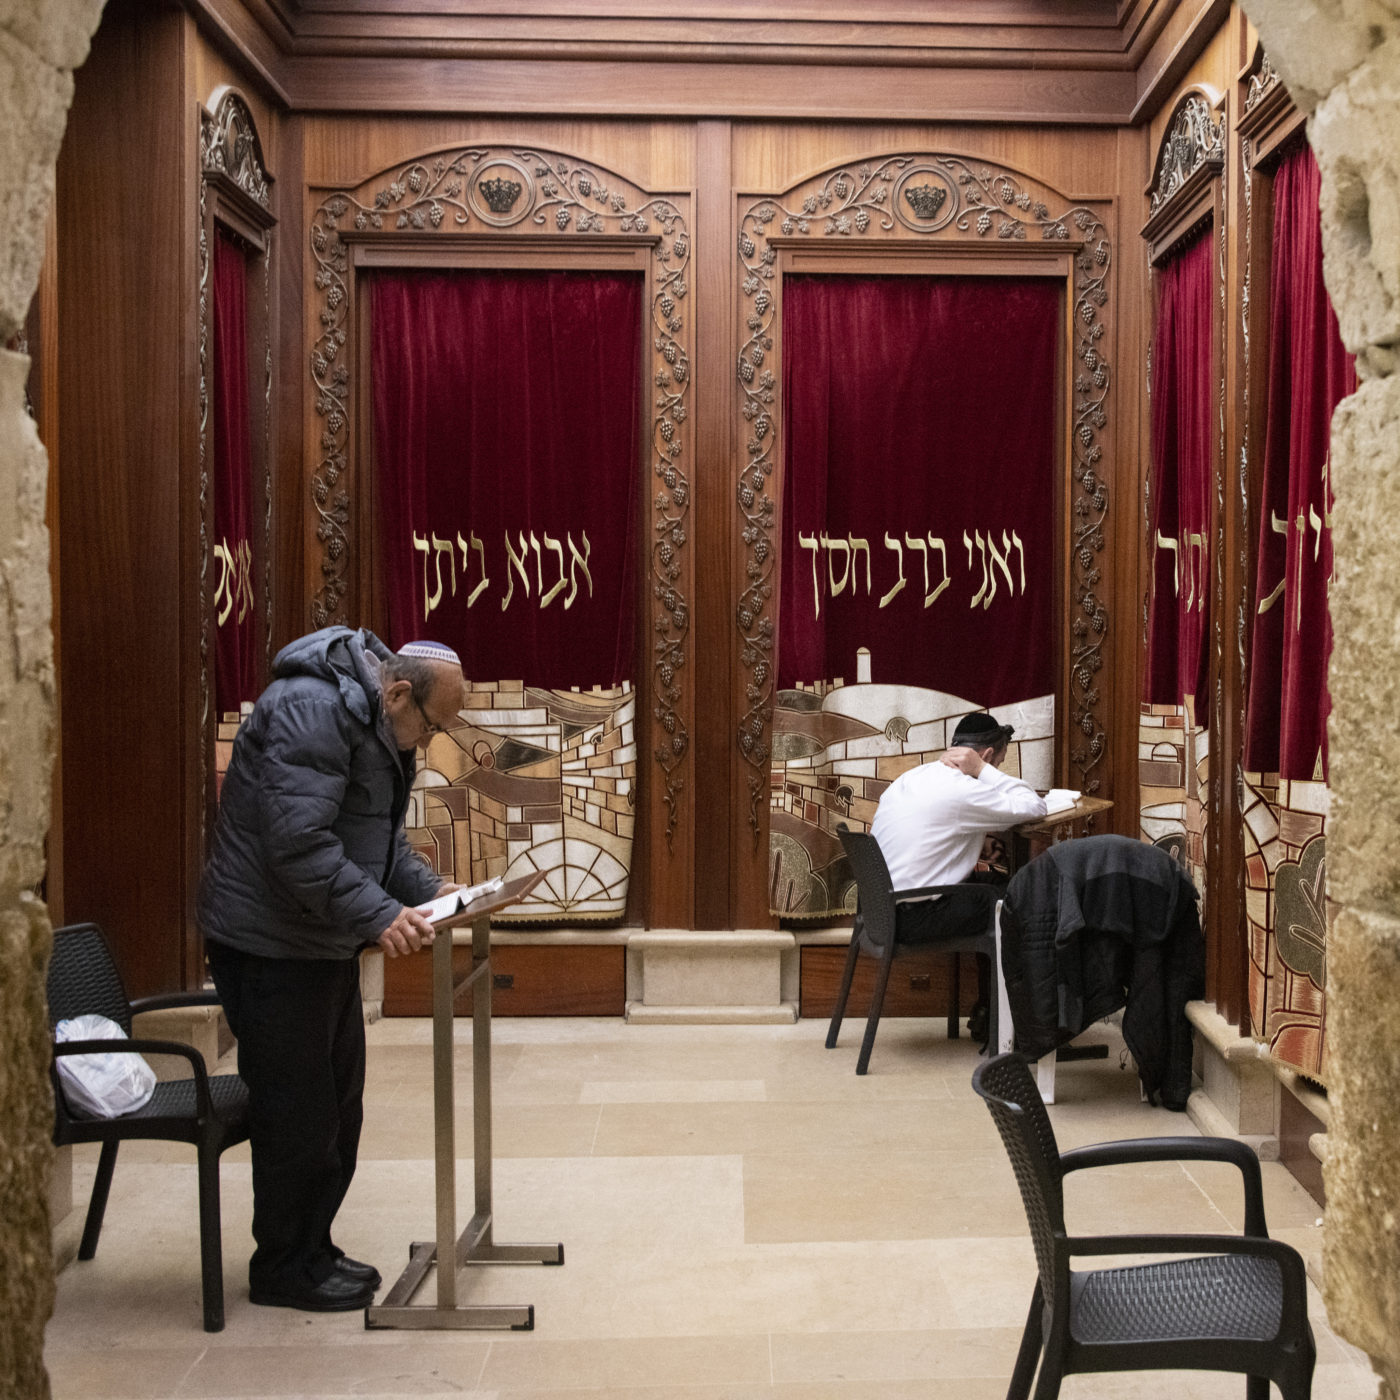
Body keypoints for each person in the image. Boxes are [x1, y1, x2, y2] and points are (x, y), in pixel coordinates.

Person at [197, 627, 466, 1312]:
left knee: (339, 1110)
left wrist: (429, 891)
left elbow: (374, 841)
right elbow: (299, 843)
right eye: (433, 725)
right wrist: (379, 914)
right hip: (269, 945)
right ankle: (282, 1267)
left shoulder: (374, 719)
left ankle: (313, 1249)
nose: (430, 740)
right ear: (398, 693)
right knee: (298, 1115)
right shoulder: (310, 710)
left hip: (316, 941)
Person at [868, 710, 1047, 1039]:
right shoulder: (965, 788)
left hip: (881, 912)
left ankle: (988, 1014)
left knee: (999, 888)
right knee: (1016, 901)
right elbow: (1035, 806)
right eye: (998, 763)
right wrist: (982, 771)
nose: (996, 771)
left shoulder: (914, 776)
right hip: (914, 916)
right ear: (987, 755)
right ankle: (1017, 1028)